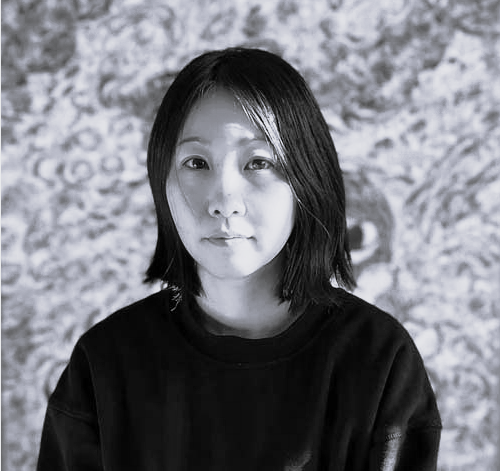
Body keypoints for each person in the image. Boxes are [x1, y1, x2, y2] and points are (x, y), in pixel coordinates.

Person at [37, 47, 442, 470]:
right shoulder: (104, 364)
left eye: (258, 163)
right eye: (196, 163)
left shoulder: (378, 360)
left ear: (307, 181)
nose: (225, 200)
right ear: (162, 184)